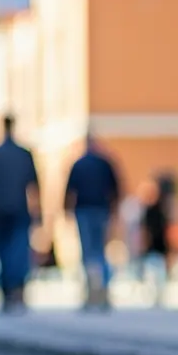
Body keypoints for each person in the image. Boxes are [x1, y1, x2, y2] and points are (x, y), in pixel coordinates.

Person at [0, 114, 41, 313]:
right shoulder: (24, 154)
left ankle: (7, 290)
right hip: (19, 208)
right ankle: (16, 289)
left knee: (4, 250)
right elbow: (35, 185)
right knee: (18, 250)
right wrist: (38, 212)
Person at [64, 133, 121, 311]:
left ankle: (91, 292)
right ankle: (102, 291)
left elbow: (69, 191)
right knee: (100, 251)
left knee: (88, 252)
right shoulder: (105, 163)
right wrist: (114, 210)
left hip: (84, 210)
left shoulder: (79, 164)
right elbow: (116, 189)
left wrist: (66, 211)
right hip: (101, 210)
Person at [141, 174, 175, 307]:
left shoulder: (161, 210)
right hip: (152, 248)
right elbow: (144, 230)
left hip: (160, 247)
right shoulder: (148, 211)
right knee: (151, 273)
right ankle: (152, 295)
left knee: (158, 273)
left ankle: (158, 295)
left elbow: (167, 230)